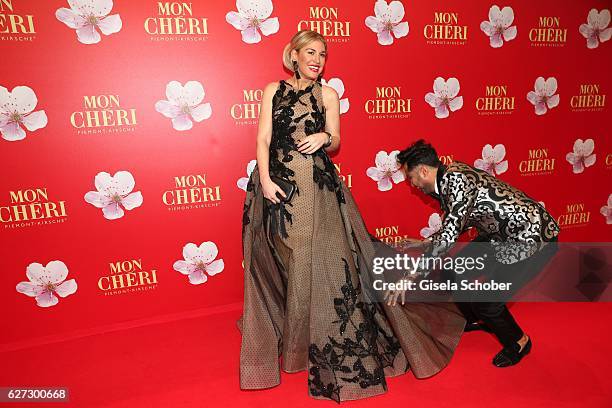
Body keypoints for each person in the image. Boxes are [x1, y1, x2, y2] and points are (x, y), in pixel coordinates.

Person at [238, 32, 465, 402]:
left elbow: (338, 140)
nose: (317, 60)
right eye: (310, 53)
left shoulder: (328, 95)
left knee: (319, 261)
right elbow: (263, 139)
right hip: (277, 186)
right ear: (293, 55)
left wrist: (324, 136)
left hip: (315, 186)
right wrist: (263, 179)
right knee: (289, 261)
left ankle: (300, 351)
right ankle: (295, 335)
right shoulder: (272, 91)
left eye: (323, 55)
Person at [389, 139, 559, 367]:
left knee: (487, 301)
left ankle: (519, 341)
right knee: (453, 270)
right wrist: (423, 243)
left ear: (423, 171)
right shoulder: (449, 176)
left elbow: (450, 234)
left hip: (532, 238)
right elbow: (457, 223)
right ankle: (476, 318)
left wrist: (410, 277)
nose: (412, 184)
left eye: (411, 178)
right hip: (499, 237)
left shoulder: (457, 181)